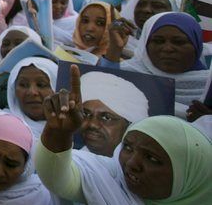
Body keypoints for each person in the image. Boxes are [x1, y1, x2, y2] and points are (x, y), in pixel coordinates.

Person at [35, 64, 212, 204]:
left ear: (189, 174)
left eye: (152, 158)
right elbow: (57, 178)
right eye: (127, 147)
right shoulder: (109, 178)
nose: (131, 163)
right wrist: (58, 134)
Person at [103, 12, 210, 118]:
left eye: (178, 42)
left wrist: (207, 121)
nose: (167, 49)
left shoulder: (208, 86)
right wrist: (114, 48)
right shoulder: (128, 74)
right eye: (158, 41)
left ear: (196, 45)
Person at [79, 70, 149, 157]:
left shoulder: (135, 169)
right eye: (86, 114)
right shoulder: (72, 158)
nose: (92, 124)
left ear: (129, 127)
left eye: (106, 118)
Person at [6, 57, 57, 138]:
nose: (32, 92)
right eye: (23, 85)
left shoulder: (76, 131)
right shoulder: (1, 124)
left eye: (41, 85)